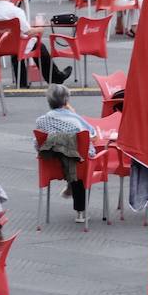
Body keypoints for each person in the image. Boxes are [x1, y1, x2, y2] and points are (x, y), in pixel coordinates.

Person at [0, 0, 71, 86]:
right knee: (38, 45)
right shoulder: (15, 11)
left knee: (19, 43)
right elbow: (28, 31)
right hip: (16, 45)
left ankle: (22, 82)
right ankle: (55, 78)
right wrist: (40, 28)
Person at [34, 84, 97, 224]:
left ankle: (70, 184)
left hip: (51, 163)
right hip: (76, 165)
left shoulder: (41, 121)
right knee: (81, 158)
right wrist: (74, 113)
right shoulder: (75, 121)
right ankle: (81, 212)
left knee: (67, 154)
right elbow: (93, 136)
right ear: (66, 101)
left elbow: (37, 144)